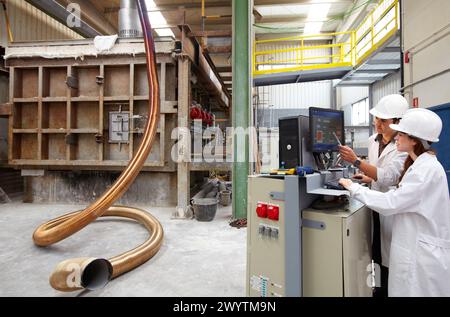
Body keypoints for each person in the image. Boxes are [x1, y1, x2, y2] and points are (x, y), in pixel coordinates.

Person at [339, 108, 450, 297]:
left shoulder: (424, 170)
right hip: (415, 248)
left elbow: (392, 202)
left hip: (420, 257)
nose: (396, 138)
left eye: (401, 134)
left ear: (414, 139)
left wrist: (354, 188)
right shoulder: (421, 164)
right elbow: (401, 194)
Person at [339, 94, 409, 297]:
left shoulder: (402, 146)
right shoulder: (372, 141)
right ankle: (377, 291)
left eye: (383, 120)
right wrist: (368, 178)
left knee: (390, 262)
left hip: (391, 211)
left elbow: (389, 177)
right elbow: (378, 173)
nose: (377, 123)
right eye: (376, 118)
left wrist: (356, 162)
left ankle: (386, 291)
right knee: (375, 256)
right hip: (374, 208)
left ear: (397, 122)